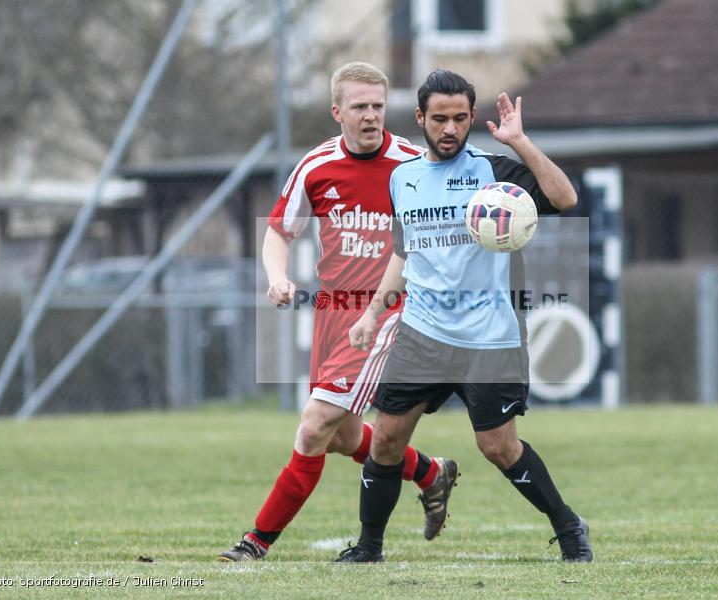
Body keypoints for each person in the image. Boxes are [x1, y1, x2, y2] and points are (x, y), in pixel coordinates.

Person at [337, 70, 592, 563]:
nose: (449, 128)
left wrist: (520, 142)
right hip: (423, 332)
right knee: (387, 438)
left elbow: (564, 198)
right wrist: (372, 314)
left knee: (497, 446)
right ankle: (369, 548)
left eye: (459, 118)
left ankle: (568, 525)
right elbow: (402, 252)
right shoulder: (402, 178)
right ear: (420, 119)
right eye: (439, 119)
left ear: (473, 117)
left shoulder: (493, 173)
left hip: (488, 335)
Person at [218, 62, 458, 562]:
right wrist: (278, 277)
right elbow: (279, 232)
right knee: (344, 435)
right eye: (360, 107)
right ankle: (431, 473)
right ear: (337, 112)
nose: (371, 116)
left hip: (388, 311)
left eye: (377, 106)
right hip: (332, 313)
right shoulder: (317, 166)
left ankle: (256, 541)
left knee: (313, 426)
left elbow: (446, 231)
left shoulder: (414, 165)